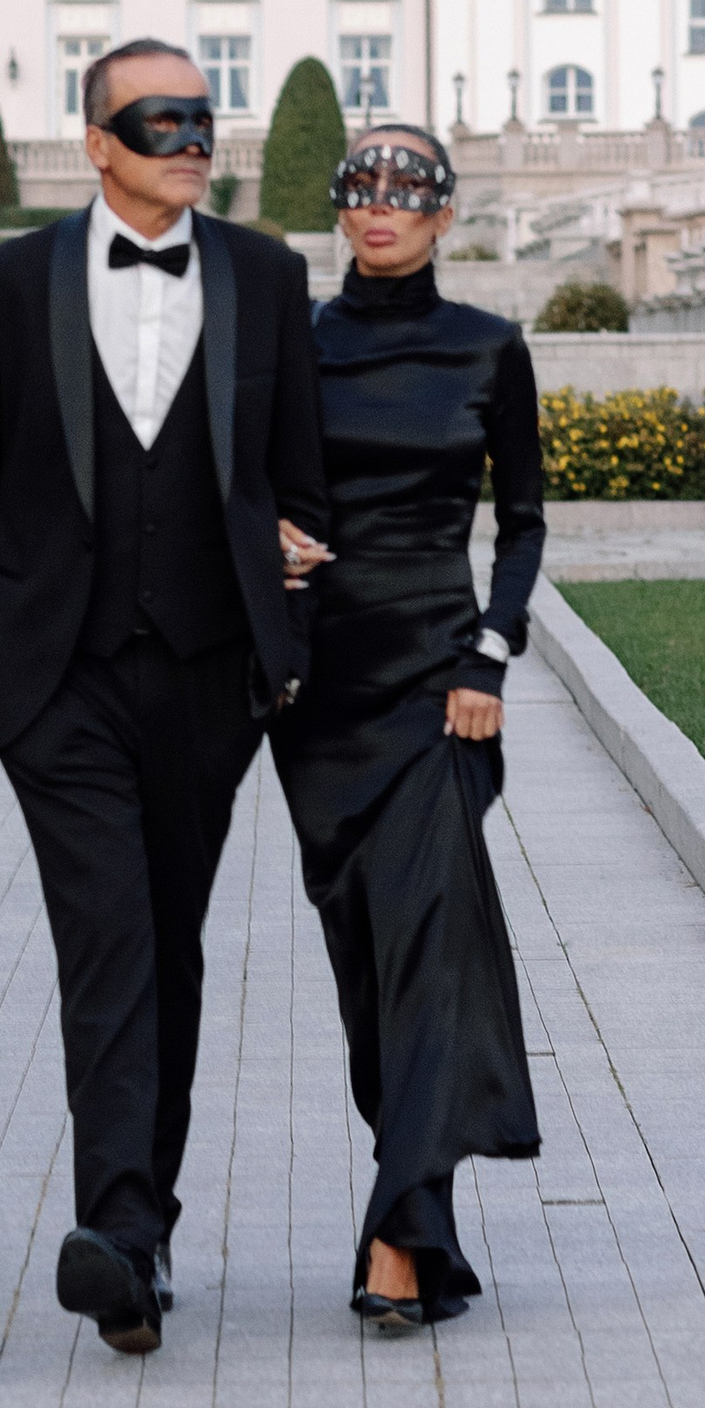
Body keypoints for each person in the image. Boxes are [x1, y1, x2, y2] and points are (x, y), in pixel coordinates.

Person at [0, 37, 333, 1357]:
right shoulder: (3, 287)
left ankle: (138, 1220)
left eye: (205, 119)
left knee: (173, 940)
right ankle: (122, 1232)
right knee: (108, 936)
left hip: (212, 677)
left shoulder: (266, 278)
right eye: (162, 122)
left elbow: (296, 475)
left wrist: (292, 547)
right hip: (54, 680)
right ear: (98, 144)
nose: (192, 141)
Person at [273, 119, 544, 1331]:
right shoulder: (291, 341)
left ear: (444, 214)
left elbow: (523, 522)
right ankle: (423, 1222)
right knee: (365, 968)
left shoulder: (489, 348)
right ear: (339, 209)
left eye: (408, 188)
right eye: (361, 188)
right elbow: (234, 481)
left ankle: (396, 1239)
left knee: (433, 957)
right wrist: (261, 537)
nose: (381, 205)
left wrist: (491, 647)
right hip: (317, 694)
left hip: (441, 685)